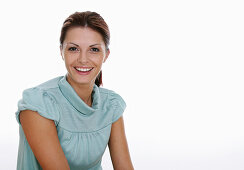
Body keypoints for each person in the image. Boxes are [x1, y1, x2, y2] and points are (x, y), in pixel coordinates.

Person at [15, 11, 134, 170]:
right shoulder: (39, 103)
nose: (83, 59)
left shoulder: (111, 105)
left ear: (106, 55)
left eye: (94, 50)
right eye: (73, 49)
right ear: (61, 51)